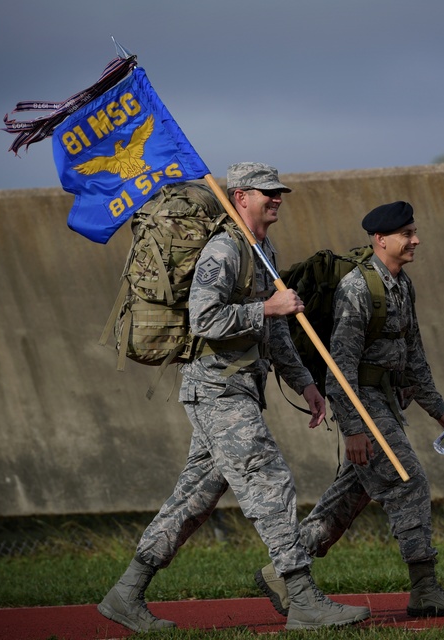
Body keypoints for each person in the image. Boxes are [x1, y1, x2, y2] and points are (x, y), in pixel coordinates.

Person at [98, 163, 371, 633]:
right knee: (269, 479)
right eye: (267, 192)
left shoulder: (262, 249)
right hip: (217, 387)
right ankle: (302, 597)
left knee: (196, 496)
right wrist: (267, 306)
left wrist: (304, 381)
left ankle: (126, 593)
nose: (277, 198)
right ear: (240, 196)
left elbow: (277, 331)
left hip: (238, 387)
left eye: (280, 191)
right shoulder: (223, 249)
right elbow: (204, 319)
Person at [254, 201, 444, 618]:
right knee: (408, 481)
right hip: (363, 403)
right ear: (381, 239)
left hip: (389, 403)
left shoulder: (403, 285)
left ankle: (280, 572)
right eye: (407, 234)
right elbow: (339, 368)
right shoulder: (358, 289)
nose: (416, 240)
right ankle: (425, 590)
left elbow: (415, 358)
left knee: (347, 500)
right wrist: (354, 429)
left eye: (414, 232)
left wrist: (442, 414)